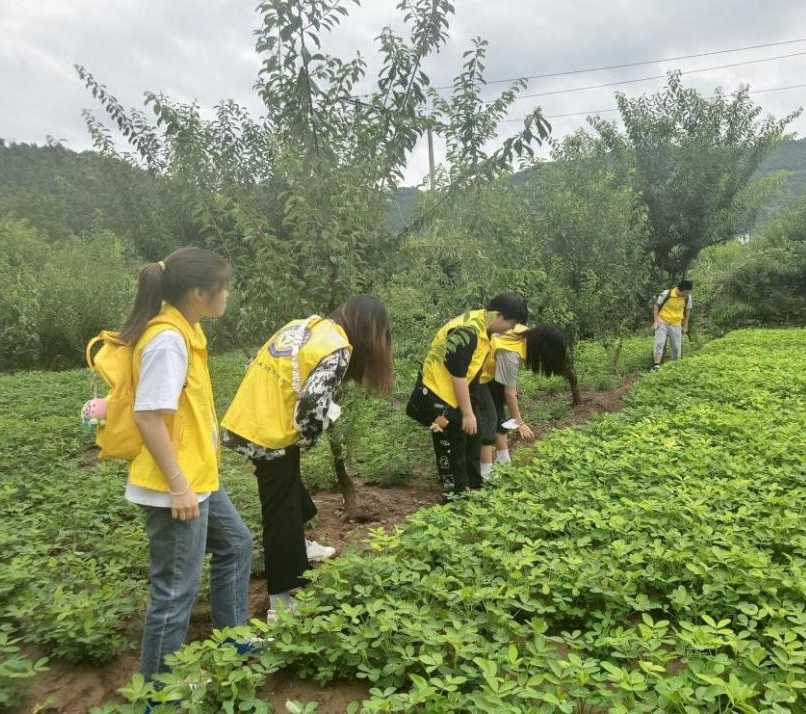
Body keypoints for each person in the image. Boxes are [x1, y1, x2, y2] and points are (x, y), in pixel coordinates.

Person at [121, 247, 253, 680]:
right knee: (175, 589)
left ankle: (231, 641)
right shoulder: (168, 341)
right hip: (175, 486)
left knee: (236, 544)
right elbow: (147, 416)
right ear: (198, 292)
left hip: (197, 477)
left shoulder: (186, 332)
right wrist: (179, 485)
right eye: (223, 286)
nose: (227, 294)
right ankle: (158, 696)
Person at [221, 296, 393, 621]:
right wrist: (310, 435)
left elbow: (254, 364)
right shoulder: (337, 347)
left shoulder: (305, 326)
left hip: (247, 421)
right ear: (368, 329)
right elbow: (312, 404)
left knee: (287, 489)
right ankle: (281, 605)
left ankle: (299, 544)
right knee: (280, 515)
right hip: (269, 434)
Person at [406, 293, 528, 494]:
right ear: (498, 316)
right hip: (437, 398)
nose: (509, 329)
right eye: (510, 324)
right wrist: (467, 413)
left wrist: (472, 410)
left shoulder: (485, 328)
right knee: (454, 446)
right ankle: (457, 496)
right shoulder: (468, 330)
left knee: (473, 437)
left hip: (458, 394)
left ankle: (475, 487)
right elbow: (458, 375)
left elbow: (473, 371)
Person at [478, 323, 568, 479]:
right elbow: (509, 394)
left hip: (489, 370)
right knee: (489, 417)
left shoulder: (522, 333)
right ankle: (486, 475)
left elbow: (508, 386)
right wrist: (520, 423)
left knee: (498, 414)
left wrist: (511, 387)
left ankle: (504, 462)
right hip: (474, 373)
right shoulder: (511, 351)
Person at [652, 280, 693, 370]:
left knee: (676, 347)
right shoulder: (667, 293)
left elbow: (688, 311)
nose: (687, 294)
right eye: (686, 292)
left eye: (688, 292)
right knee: (659, 343)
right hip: (662, 321)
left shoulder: (687, 297)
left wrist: (685, 325)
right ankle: (656, 365)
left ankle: (674, 366)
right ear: (679, 290)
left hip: (676, 323)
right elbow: (656, 305)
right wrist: (655, 321)